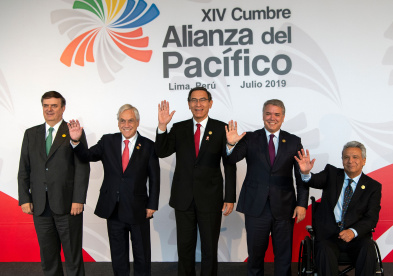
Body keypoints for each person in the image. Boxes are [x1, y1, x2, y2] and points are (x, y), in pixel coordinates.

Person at [68, 104, 160, 276]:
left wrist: (152, 204)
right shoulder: (108, 141)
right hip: (113, 208)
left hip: (138, 208)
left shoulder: (148, 145)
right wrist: (76, 141)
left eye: (130, 120)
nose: (126, 124)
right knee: (118, 254)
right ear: (118, 123)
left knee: (142, 254)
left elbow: (155, 178)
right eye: (122, 121)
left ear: (137, 122)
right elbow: (86, 156)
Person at [155, 87, 236, 276]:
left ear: (210, 103)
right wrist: (162, 127)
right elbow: (161, 151)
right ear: (189, 103)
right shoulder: (179, 128)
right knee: (185, 248)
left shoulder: (221, 128)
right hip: (183, 199)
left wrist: (230, 197)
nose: (198, 104)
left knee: (209, 249)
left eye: (202, 100)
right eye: (194, 100)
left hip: (210, 198)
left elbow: (229, 165)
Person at [225, 99, 309, 276]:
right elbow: (231, 160)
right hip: (256, 208)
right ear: (263, 115)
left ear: (283, 117)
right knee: (255, 256)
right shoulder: (250, 138)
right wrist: (231, 144)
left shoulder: (294, 141)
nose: (272, 118)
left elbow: (301, 175)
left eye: (277, 114)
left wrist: (302, 204)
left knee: (284, 256)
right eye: (268, 113)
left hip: (285, 208)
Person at [18, 91, 90, 276]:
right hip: (40, 206)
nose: (49, 109)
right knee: (48, 258)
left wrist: (78, 200)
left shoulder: (74, 132)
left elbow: (82, 168)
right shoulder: (30, 134)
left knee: (73, 257)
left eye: (54, 105)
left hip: (68, 205)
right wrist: (25, 198)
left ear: (63, 108)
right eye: (46, 105)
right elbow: (24, 170)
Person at [295, 141, 382, 276]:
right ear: (342, 160)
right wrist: (306, 173)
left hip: (356, 239)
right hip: (329, 237)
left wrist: (353, 232)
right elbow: (314, 180)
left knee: (369, 248)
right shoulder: (331, 173)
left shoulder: (373, 187)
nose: (350, 161)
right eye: (346, 157)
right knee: (323, 249)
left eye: (355, 157)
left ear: (364, 161)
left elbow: (371, 218)